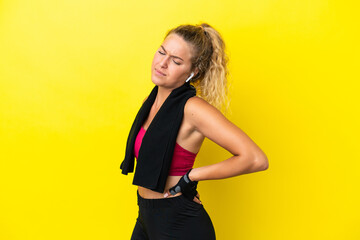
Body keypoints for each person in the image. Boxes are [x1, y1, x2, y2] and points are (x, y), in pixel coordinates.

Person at [120, 23, 269, 240]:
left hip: (179, 223)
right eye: (162, 52)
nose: (162, 63)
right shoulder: (149, 102)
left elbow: (256, 159)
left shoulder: (192, 109)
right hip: (145, 216)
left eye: (176, 61)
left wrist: (192, 176)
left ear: (193, 72)